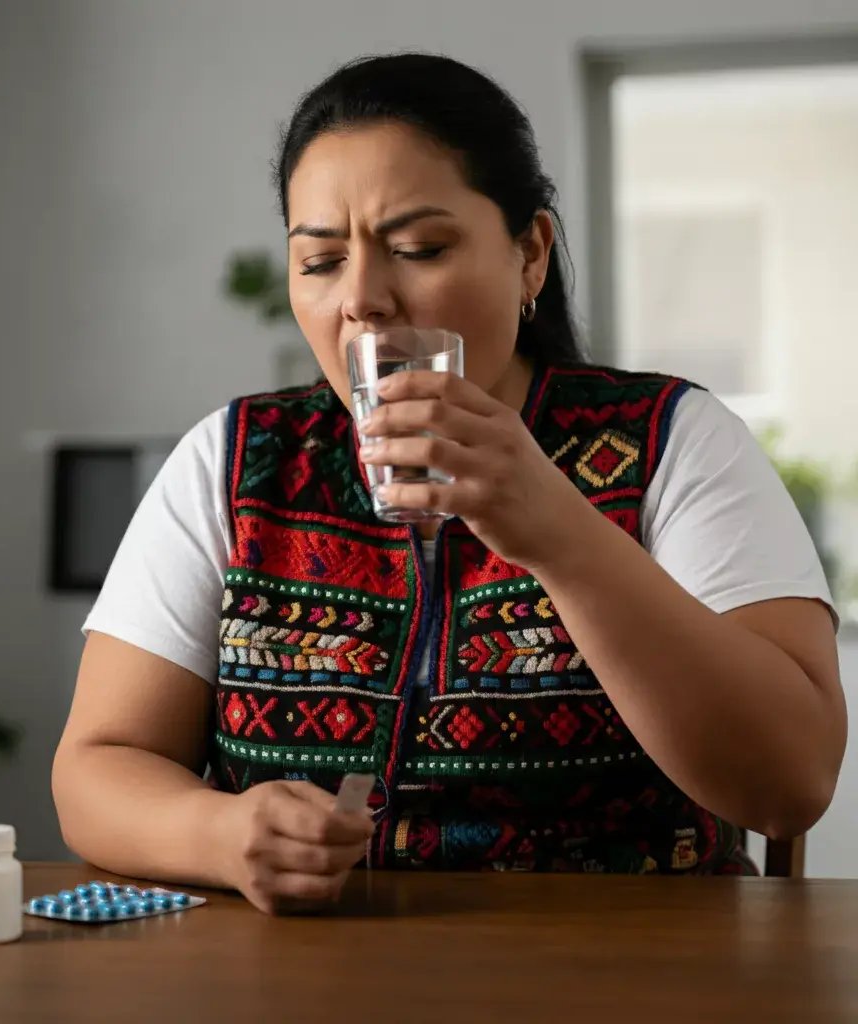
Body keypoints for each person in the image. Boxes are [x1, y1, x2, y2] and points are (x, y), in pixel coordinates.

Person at [53, 53, 846, 913]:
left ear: (530, 254)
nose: (363, 299)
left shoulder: (673, 443)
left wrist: (560, 534)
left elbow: (790, 784)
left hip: (629, 981)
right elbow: (97, 768)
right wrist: (220, 834)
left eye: (418, 249)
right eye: (320, 262)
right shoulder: (237, 461)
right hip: (306, 983)